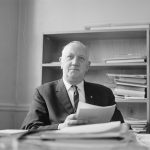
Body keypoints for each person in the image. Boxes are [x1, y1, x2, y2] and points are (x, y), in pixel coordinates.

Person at [21, 41, 124, 130]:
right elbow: (29, 128)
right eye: (70, 57)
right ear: (61, 62)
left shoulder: (104, 93)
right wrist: (61, 127)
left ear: (87, 66)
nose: (75, 62)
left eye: (81, 58)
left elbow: (122, 127)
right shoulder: (43, 92)